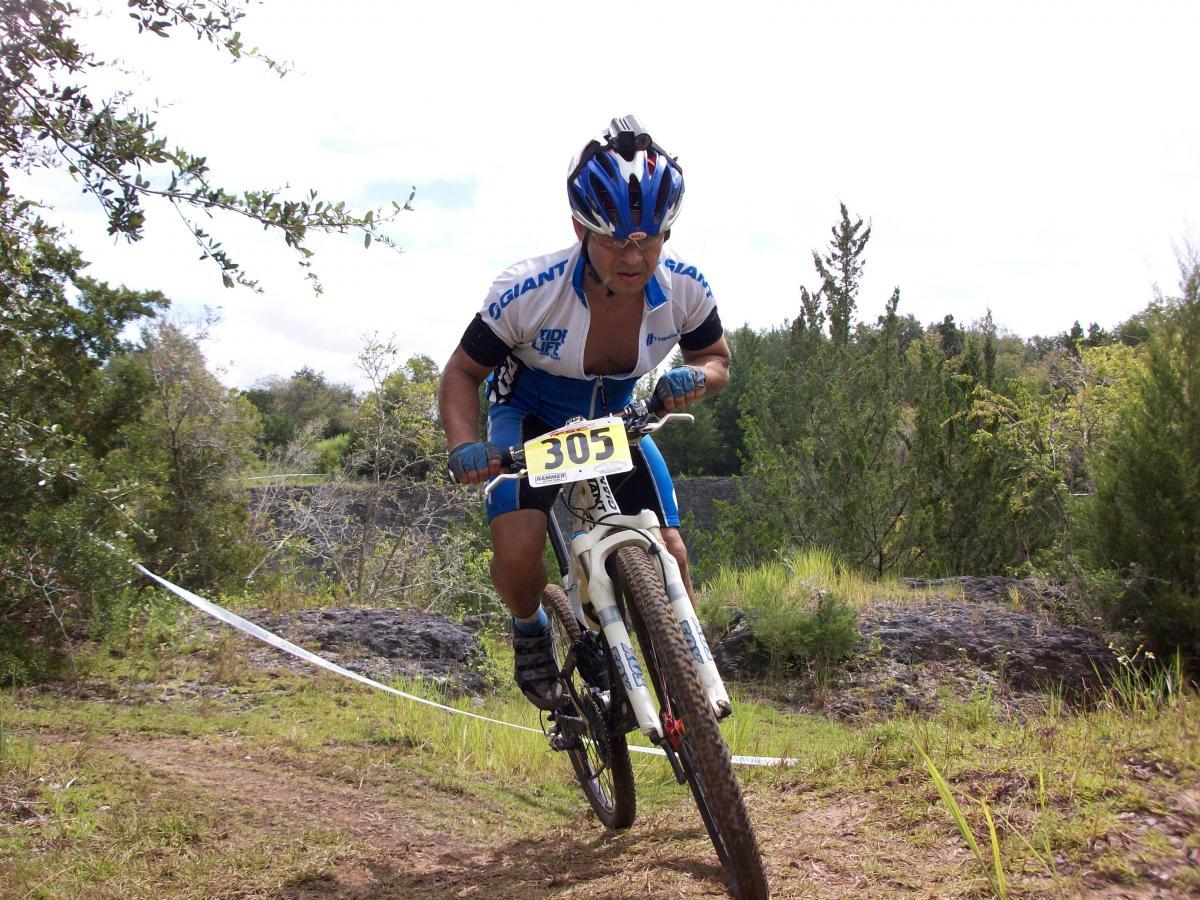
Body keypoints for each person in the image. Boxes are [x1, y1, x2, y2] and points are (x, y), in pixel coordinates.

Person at [438, 115, 731, 711]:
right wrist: (465, 444)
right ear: (580, 228)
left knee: (671, 549)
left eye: (649, 239)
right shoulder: (527, 291)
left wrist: (696, 378)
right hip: (529, 419)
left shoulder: (686, 288)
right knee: (518, 553)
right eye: (614, 240)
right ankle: (530, 630)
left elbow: (716, 359)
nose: (634, 256)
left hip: (616, 421)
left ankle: (684, 693)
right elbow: (461, 373)